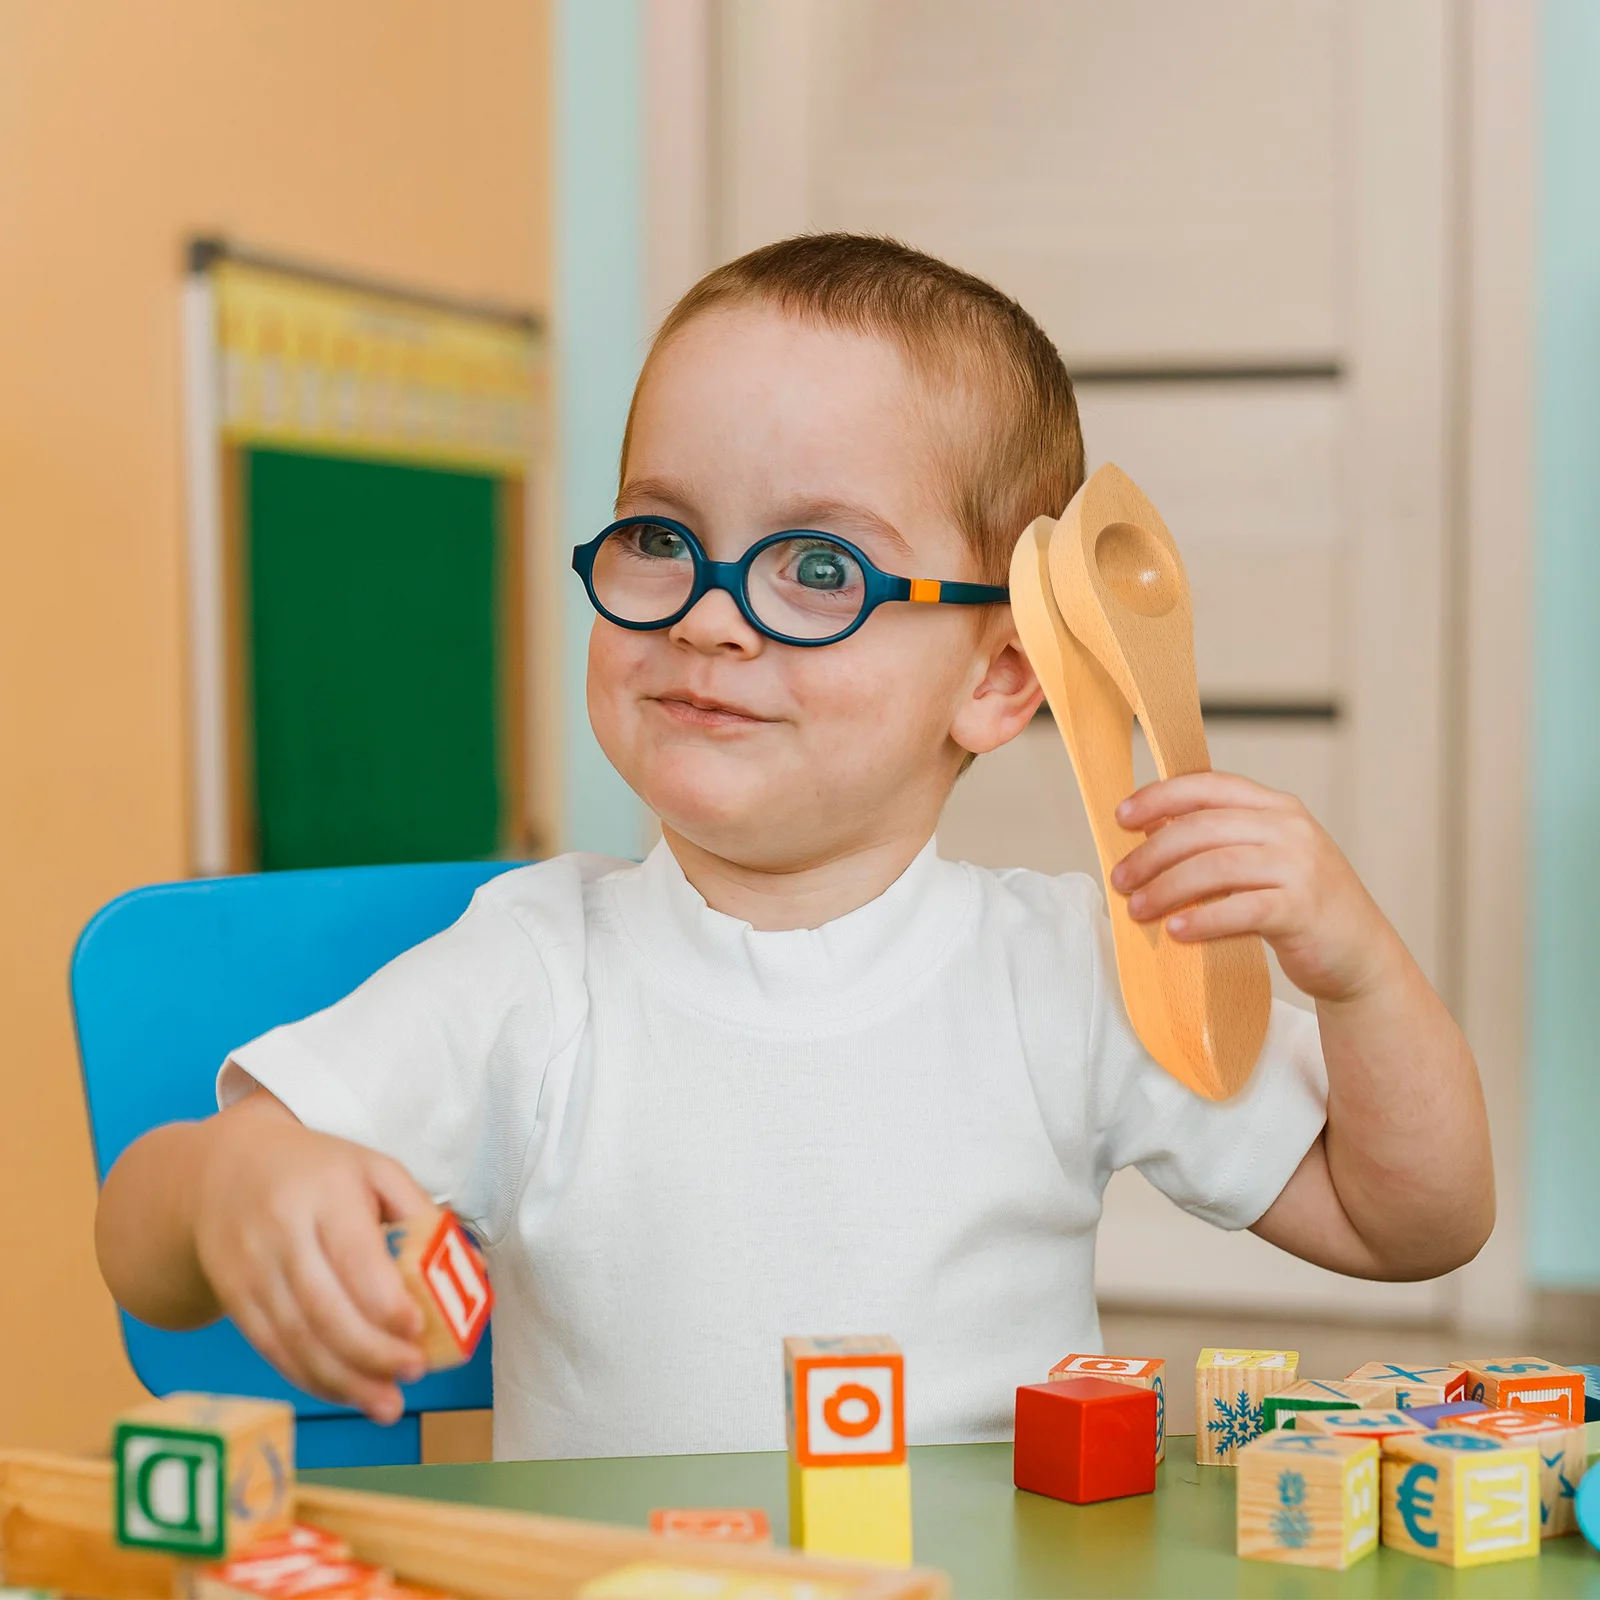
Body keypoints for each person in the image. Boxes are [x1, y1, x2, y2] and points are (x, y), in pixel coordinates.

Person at [95, 235, 1493, 1461]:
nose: (709, 616)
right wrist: (230, 1186)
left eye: (818, 568)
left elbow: (1405, 1227)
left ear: (1002, 680)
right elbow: (140, 1241)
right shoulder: (535, 969)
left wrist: (1362, 974)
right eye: (660, 535)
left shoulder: (1066, 972)